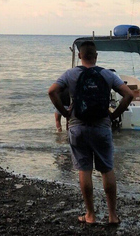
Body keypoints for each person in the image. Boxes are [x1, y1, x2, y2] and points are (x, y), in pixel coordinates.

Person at [48, 41, 133, 226]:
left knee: (84, 170)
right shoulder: (107, 74)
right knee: (107, 169)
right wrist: (113, 116)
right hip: (101, 127)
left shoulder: (70, 74)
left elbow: (52, 91)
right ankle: (112, 216)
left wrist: (65, 114)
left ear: (79, 56)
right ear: (96, 56)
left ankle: (90, 215)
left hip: (77, 127)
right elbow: (128, 95)